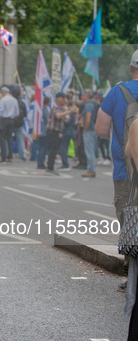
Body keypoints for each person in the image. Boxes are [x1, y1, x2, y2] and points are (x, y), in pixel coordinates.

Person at [95, 50, 138, 293]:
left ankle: (132, 272)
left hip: (126, 169)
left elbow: (101, 130)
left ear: (131, 67)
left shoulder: (116, 92)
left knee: (130, 219)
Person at [44, 93, 77, 176]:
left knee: (55, 150)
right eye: (63, 98)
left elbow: (67, 119)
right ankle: (49, 167)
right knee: (52, 150)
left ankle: (50, 167)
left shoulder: (62, 108)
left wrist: (67, 109)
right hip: (52, 131)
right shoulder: (55, 107)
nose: (64, 100)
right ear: (58, 98)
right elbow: (58, 116)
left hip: (58, 131)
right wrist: (68, 111)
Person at [0, 86, 19, 164]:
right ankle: (10, 156)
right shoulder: (14, 100)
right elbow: (17, 112)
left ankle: (4, 156)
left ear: (3, 93)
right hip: (11, 120)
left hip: (4, 119)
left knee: (2, 138)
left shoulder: (2, 100)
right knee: (10, 138)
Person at [80, 90, 97, 178]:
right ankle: (91, 169)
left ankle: (91, 169)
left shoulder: (88, 105)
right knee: (90, 150)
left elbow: (88, 119)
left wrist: (85, 129)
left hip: (89, 130)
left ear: (86, 96)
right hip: (91, 130)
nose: (81, 97)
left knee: (89, 150)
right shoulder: (90, 104)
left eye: (83, 95)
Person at [36, 97, 51, 169]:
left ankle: (40, 161)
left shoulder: (41, 109)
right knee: (43, 148)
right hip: (44, 130)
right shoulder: (45, 110)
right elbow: (48, 119)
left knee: (41, 147)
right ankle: (41, 162)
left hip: (41, 130)